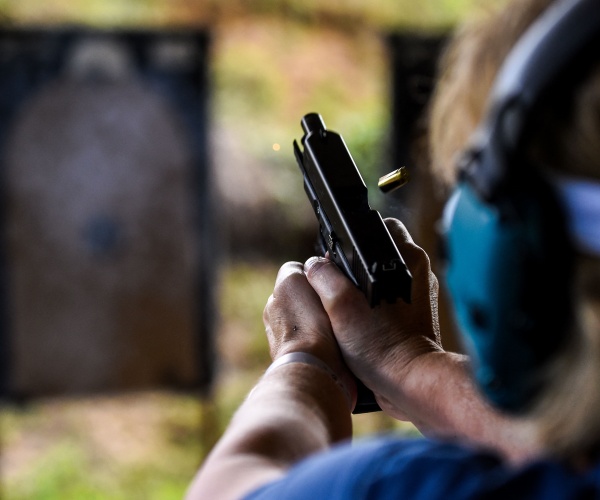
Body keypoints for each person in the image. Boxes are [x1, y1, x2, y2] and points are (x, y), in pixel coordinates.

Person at [186, 0, 600, 497]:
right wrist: (407, 363)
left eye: (471, 180)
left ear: (507, 242)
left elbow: (226, 488)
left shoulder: (415, 486)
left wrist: (303, 362)